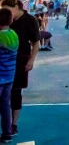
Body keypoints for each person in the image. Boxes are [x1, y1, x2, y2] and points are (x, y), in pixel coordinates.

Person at [1, 0, 40, 137]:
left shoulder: (30, 20)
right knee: (5, 98)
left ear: (17, 7)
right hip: (4, 64)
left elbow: (36, 42)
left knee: (15, 94)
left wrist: (31, 60)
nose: (4, 13)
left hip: (20, 62)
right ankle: (7, 127)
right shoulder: (4, 21)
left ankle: (13, 124)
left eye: (7, 10)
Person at [0, 8, 17, 143]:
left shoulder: (0, 37)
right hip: (10, 75)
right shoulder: (13, 35)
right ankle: (7, 133)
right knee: (5, 105)